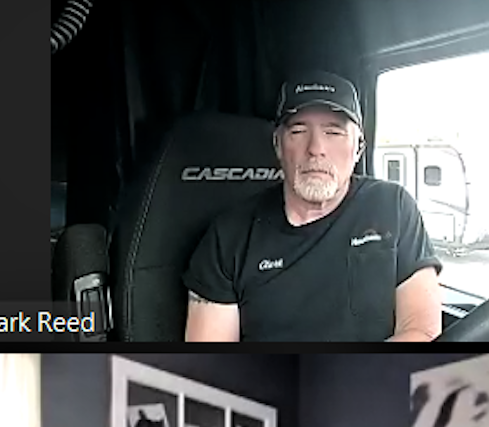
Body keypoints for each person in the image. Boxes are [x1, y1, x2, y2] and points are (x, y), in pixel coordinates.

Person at [183, 72, 442, 341]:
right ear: (278, 145)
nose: (316, 148)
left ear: (358, 148)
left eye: (333, 132)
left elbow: (421, 330)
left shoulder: (393, 208)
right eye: (298, 131)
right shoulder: (229, 237)